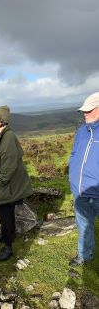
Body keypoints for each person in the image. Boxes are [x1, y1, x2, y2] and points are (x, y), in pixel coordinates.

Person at [0, 105, 33, 261]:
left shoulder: (8, 137)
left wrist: (0, 182)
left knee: (4, 211)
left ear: (1, 121)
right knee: (4, 210)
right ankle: (7, 234)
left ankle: (8, 247)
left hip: (8, 184)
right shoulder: (1, 135)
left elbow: (9, 164)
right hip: (7, 182)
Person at [68, 92, 99, 266]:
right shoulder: (81, 132)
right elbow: (74, 154)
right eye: (83, 110)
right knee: (84, 227)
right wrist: (72, 177)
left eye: (89, 110)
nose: (85, 113)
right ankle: (84, 256)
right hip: (80, 191)